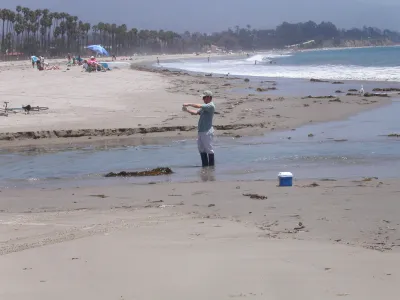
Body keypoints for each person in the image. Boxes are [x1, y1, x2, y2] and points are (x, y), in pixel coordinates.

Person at [182, 90, 215, 167]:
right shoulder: (205, 107)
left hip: (207, 131)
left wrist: (189, 104)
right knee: (201, 149)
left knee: (209, 150)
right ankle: (205, 166)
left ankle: (211, 169)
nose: (203, 99)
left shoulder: (210, 106)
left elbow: (198, 106)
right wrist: (187, 110)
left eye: (204, 97)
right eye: (203, 98)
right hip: (201, 131)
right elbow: (196, 112)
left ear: (209, 98)